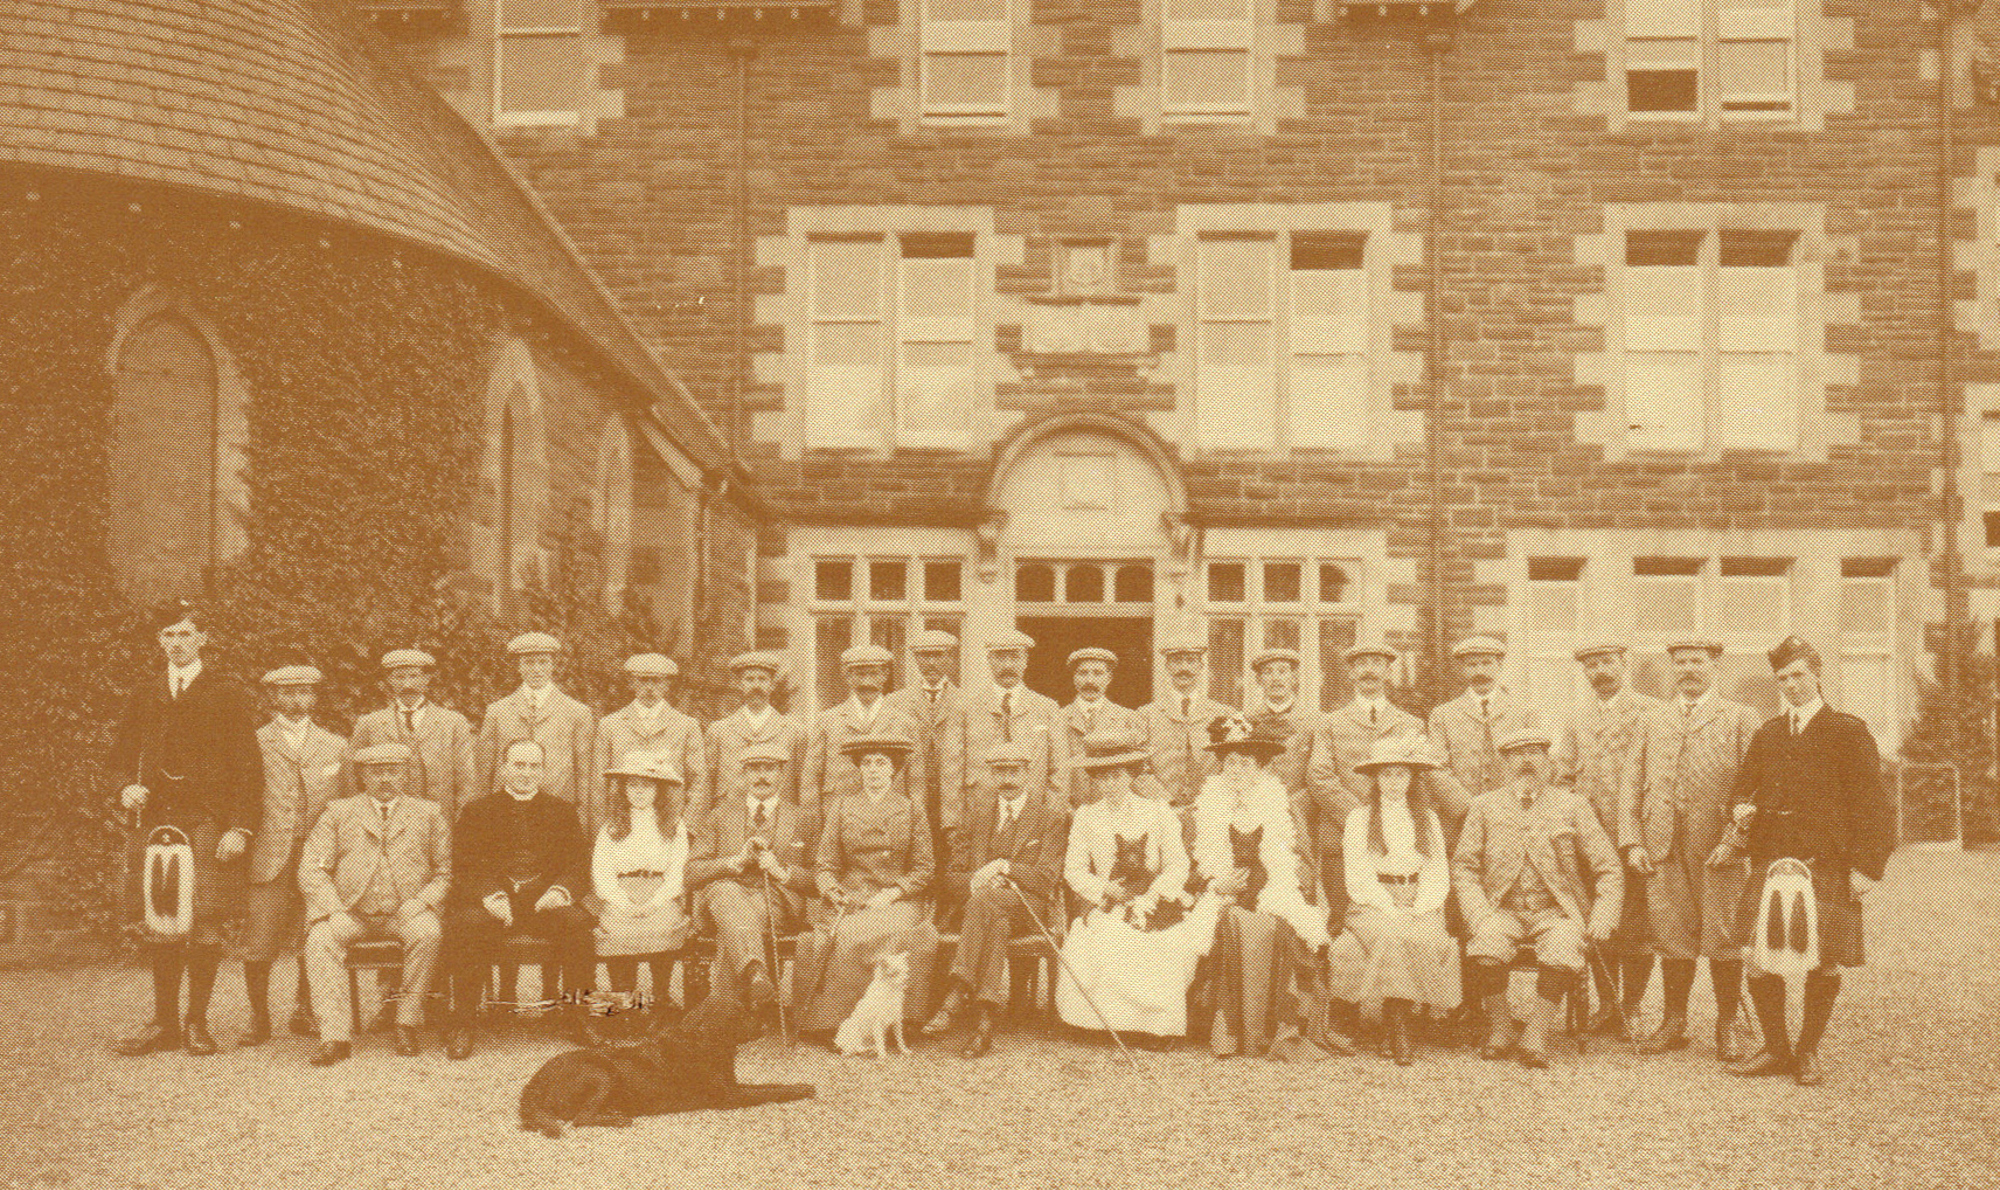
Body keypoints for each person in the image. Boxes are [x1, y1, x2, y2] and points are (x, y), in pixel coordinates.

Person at [1726, 637, 1893, 1087]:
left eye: (1798, 675)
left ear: (1817, 674)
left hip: (1827, 863)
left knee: (1825, 959)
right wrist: (1742, 806)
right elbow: (1743, 787)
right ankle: (1776, 1048)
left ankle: (1808, 1050)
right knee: (1758, 959)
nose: (1791, 685)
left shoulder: (1846, 730)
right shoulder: (1769, 733)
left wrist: (1866, 867)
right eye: (1783, 678)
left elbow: (1874, 804)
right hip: (1771, 862)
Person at [109, 602, 262, 1058]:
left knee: (205, 916)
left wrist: (241, 827)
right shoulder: (145, 692)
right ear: (160, 642)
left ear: (202, 639)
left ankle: (197, 1021)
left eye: (185, 634)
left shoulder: (227, 692)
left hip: (209, 818)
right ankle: (165, 1023)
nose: (177, 643)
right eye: (169, 636)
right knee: (160, 916)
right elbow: (119, 756)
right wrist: (125, 789)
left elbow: (249, 769)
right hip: (156, 819)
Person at [1618, 637, 1761, 1063]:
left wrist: (1735, 840)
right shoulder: (1653, 718)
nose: (1687, 670)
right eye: (1680, 663)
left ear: (1715, 665)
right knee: (1671, 934)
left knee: (1724, 935)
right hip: (1662, 844)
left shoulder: (1740, 717)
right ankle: (1674, 1021)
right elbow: (1631, 783)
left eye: (1696, 661)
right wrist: (1632, 840)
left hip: (1718, 846)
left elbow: (1756, 786)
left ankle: (1727, 1023)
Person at [1452, 728, 1623, 1068]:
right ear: (1505, 763)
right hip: (1502, 907)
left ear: (1548, 761)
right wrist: (1478, 912)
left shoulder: (1573, 805)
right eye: (1518, 754)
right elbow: (1464, 867)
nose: (1527, 761)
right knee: (1487, 942)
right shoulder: (1484, 806)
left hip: (1556, 911)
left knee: (1562, 947)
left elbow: (1609, 868)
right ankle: (1500, 1028)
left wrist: (1603, 914)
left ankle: (1536, 1032)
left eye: (1535, 753)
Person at [1055, 729, 1219, 1051]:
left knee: (1163, 943)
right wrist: (1104, 889)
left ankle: (1155, 1027)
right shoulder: (1087, 817)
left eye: (1117, 775)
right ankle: (1106, 1024)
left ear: (1130, 774)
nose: (1111, 784)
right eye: (1103, 778)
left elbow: (1177, 864)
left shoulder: (1157, 811)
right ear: (1094, 780)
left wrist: (1153, 895)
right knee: (1104, 936)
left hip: (1155, 899)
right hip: (1108, 900)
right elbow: (1073, 870)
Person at [1190, 715, 1336, 1061]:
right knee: (1223, 923)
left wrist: (1279, 880)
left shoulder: (1279, 802)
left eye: (1245, 763)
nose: (1236, 770)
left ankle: (1279, 1026)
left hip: (1275, 885)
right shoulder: (1207, 803)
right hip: (1222, 889)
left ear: (1259, 767)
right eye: (1229, 763)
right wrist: (1216, 883)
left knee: (1285, 925)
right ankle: (1229, 1028)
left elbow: (1300, 858)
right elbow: (1198, 862)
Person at [441, 738, 596, 1059]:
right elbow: (464, 865)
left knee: (578, 924)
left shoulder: (562, 810)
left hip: (544, 902)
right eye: (518, 765)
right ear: (503, 768)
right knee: (466, 925)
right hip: (496, 902)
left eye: (534, 766)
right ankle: (464, 1023)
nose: (526, 773)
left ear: (543, 770)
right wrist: (490, 896)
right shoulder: (477, 810)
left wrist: (560, 891)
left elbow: (579, 864)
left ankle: (578, 1016)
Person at [298, 743, 451, 1065]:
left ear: (406, 774)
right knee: (320, 939)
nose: (385, 779)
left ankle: (406, 1022)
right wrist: (333, 909)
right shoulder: (338, 812)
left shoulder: (428, 813)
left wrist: (422, 901)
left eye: (393, 771)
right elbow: (312, 867)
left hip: (404, 911)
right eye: (376, 772)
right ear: (362, 776)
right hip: (352, 911)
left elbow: (444, 873)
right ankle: (335, 1037)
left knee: (429, 933)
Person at [922, 740, 1067, 1058]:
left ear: (1028, 773)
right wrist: (978, 880)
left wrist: (1004, 867)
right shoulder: (976, 818)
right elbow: (949, 877)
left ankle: (958, 992)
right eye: (1000, 772)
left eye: (1014, 771)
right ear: (990, 775)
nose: (1007, 780)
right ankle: (986, 1019)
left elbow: (1045, 880)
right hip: (989, 913)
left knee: (986, 904)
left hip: (1028, 910)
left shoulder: (1049, 819)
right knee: (991, 914)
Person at [1551, 641, 1664, 1039]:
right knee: (1598, 918)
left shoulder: (1651, 711)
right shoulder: (1576, 718)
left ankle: (1631, 1006)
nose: (1600, 671)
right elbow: (1562, 775)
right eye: (1592, 665)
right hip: (1588, 836)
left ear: (1623, 663)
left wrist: (1641, 834)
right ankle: (1608, 1004)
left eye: (1607, 662)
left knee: (1636, 921)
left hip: (1634, 833)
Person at [794, 733, 940, 1039]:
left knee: (864, 933)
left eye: (881, 763)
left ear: (893, 770)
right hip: (852, 896)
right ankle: (833, 1023)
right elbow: (826, 864)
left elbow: (924, 868)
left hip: (898, 900)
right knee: (834, 934)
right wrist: (832, 890)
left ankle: (891, 1021)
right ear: (860, 769)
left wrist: (893, 892)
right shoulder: (843, 806)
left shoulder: (911, 809)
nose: (873, 769)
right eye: (867, 763)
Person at [1326, 735, 1460, 1066]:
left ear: (1412, 778)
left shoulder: (1427, 818)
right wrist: (1388, 907)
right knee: (1391, 934)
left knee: (1423, 935)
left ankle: (1396, 1018)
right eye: (1386, 774)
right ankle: (1397, 1026)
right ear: (1376, 778)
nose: (1394, 782)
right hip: (1371, 901)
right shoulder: (1359, 818)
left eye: (1401, 774)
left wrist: (1419, 907)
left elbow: (1437, 870)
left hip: (1418, 898)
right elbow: (1357, 875)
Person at [239, 665, 346, 1046]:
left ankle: (307, 1009)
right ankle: (259, 1015)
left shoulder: (335, 745)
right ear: (273, 698)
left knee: (314, 929)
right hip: (270, 850)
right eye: (287, 693)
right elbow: (243, 796)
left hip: (318, 855)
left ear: (314, 697)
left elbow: (347, 804)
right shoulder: (253, 741)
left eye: (304, 692)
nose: (296, 700)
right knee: (261, 933)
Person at [687, 742, 817, 1008]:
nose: (762, 776)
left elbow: (819, 879)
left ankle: (729, 1007)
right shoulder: (720, 816)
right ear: (743, 775)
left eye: (769, 769)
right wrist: (733, 862)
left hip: (775, 901)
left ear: (781, 773)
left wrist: (782, 872)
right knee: (726, 892)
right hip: (724, 898)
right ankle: (755, 973)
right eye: (754, 769)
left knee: (734, 924)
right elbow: (690, 873)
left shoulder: (803, 818)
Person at [1304, 641, 1425, 917]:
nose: (1368, 670)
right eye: (1361, 664)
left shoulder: (1411, 724)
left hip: (1399, 839)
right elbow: (1319, 775)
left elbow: (1418, 779)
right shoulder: (1330, 722)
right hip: (1341, 834)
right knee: (1344, 917)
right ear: (1350, 673)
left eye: (1376, 663)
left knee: (1399, 915)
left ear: (1387, 672)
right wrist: (1360, 818)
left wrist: (1388, 820)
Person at [589, 752, 693, 1019]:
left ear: (658, 790)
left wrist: (655, 901)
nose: (639, 792)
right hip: (621, 893)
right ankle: (624, 998)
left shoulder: (673, 825)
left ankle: (661, 996)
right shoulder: (612, 826)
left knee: (665, 926)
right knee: (617, 930)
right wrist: (622, 903)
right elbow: (602, 873)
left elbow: (677, 872)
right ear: (623, 789)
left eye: (646, 786)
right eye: (632, 785)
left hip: (660, 892)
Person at [949, 629, 1067, 839]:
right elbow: (952, 769)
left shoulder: (1047, 708)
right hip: (979, 811)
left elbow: (1059, 769)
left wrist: (1053, 817)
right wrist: (953, 823)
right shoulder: (965, 708)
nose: (1008, 665)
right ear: (989, 660)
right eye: (1000, 657)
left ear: (1026, 661)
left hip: (1034, 813)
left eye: (1015, 657)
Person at [1425, 636, 1537, 845]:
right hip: (1459, 822)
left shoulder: (1523, 713)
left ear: (1500, 665)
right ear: (1462, 669)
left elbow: (1533, 766)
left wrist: (1510, 807)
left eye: (1487, 663)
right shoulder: (1443, 715)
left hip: (1513, 818)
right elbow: (1435, 767)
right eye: (1472, 665)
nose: (1480, 672)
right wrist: (1467, 808)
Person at [346, 648, 475, 825]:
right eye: (399, 677)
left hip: (439, 821)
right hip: (386, 823)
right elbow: (352, 777)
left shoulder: (453, 723)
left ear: (427, 678)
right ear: (389, 680)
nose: (407, 684)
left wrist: (463, 821)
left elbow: (466, 779)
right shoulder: (370, 724)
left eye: (414, 676)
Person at [475, 632, 595, 816]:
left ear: (553, 665)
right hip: (505, 813)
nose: (537, 669)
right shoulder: (497, 711)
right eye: (529, 662)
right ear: (519, 667)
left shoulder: (577, 712)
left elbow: (585, 776)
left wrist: (583, 819)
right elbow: (484, 772)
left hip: (558, 813)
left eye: (543, 662)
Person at [801, 644, 921, 817]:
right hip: (838, 815)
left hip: (892, 817)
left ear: (885, 675)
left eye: (873, 673)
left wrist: (915, 822)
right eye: (859, 674)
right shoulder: (827, 721)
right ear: (848, 676)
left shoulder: (905, 723)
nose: (866, 682)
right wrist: (812, 825)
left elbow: (916, 782)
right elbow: (811, 778)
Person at [596, 653, 706, 831]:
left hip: (670, 825)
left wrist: (686, 828)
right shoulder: (610, 725)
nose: (649, 688)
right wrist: (603, 828)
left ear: (667, 685)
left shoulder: (686, 726)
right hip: (621, 825)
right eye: (643, 680)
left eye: (657, 681)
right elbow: (599, 784)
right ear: (631, 682)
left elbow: (699, 782)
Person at [885, 628, 966, 866]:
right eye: (924, 656)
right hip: (909, 797)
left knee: (950, 864)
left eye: (938, 655)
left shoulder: (967, 701)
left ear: (950, 658)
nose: (931, 662)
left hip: (953, 801)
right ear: (915, 659)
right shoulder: (894, 702)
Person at [1136, 624, 1235, 812]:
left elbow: (1232, 764)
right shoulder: (1146, 715)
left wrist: (1210, 801)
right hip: (1161, 811)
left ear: (1201, 666)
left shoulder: (1224, 714)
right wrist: (1167, 803)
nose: (1184, 668)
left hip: (1212, 810)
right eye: (1177, 661)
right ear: (1167, 666)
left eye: (1190, 661)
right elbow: (1138, 768)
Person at [706, 650, 807, 815]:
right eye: (749, 679)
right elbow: (707, 782)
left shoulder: (794, 731)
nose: (756, 686)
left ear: (772, 685)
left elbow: (803, 782)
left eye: (762, 679)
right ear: (740, 684)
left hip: (780, 819)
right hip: (729, 816)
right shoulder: (719, 731)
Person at [1057, 648, 1146, 809]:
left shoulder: (1128, 718)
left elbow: (1138, 772)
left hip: (1115, 813)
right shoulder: (1057, 719)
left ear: (1109, 678)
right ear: (1074, 677)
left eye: (1098, 673)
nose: (1089, 680)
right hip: (1068, 813)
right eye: (1082, 673)